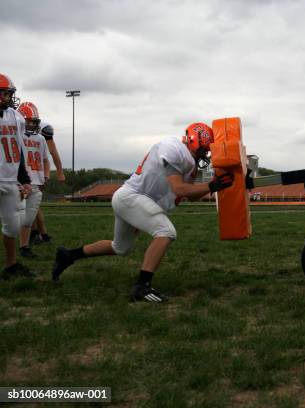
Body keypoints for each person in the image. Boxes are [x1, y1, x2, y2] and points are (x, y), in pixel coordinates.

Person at [52, 122, 234, 302]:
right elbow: (179, 190)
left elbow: (191, 195)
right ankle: (141, 286)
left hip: (133, 199)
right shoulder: (174, 148)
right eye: (204, 149)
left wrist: (216, 185)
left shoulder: (188, 161)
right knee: (166, 232)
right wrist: (212, 185)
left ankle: (68, 255)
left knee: (120, 248)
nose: (205, 154)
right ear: (194, 141)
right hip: (131, 197)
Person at [0, 73, 34, 279]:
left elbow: (20, 150)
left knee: (12, 226)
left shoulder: (16, 117)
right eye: (3, 93)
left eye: (7, 94)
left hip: (10, 179)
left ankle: (11, 265)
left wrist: (25, 178)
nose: (7, 98)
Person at [16, 102, 50, 258]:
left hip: (36, 182)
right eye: (27, 121)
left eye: (33, 121)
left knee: (29, 218)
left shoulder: (41, 139)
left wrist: (47, 175)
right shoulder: (16, 135)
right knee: (14, 217)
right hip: (18, 182)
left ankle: (24, 246)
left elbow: (45, 159)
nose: (31, 124)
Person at [29, 118, 64, 245]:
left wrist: (59, 171)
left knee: (32, 203)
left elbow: (52, 152)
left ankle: (37, 234)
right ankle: (40, 234)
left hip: (33, 169)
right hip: (25, 168)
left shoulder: (44, 130)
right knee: (33, 204)